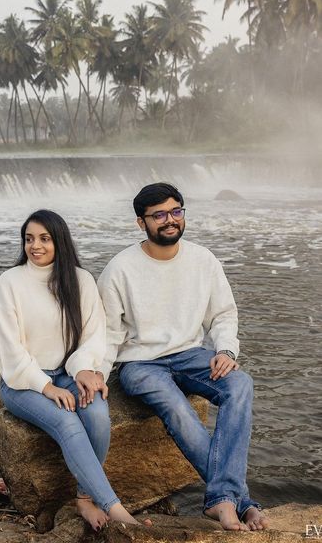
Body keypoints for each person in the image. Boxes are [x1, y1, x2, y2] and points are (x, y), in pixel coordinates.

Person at [97, 183, 269, 532]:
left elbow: (223, 314)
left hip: (191, 355)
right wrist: (97, 374)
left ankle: (223, 499)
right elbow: (108, 333)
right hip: (140, 364)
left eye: (176, 211)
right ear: (140, 223)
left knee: (240, 384)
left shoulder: (203, 260)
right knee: (177, 407)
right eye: (159, 215)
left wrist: (225, 350)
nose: (170, 220)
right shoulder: (120, 269)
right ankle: (240, 501)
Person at [0, 209, 142, 531]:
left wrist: (86, 370)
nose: (36, 246)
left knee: (98, 414)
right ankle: (115, 508)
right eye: (29, 239)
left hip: (68, 373)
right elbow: (9, 349)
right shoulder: (11, 282)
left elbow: (93, 335)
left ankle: (84, 497)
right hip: (23, 383)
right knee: (66, 422)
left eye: (44, 238)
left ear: (59, 241)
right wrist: (47, 387)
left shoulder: (80, 280)